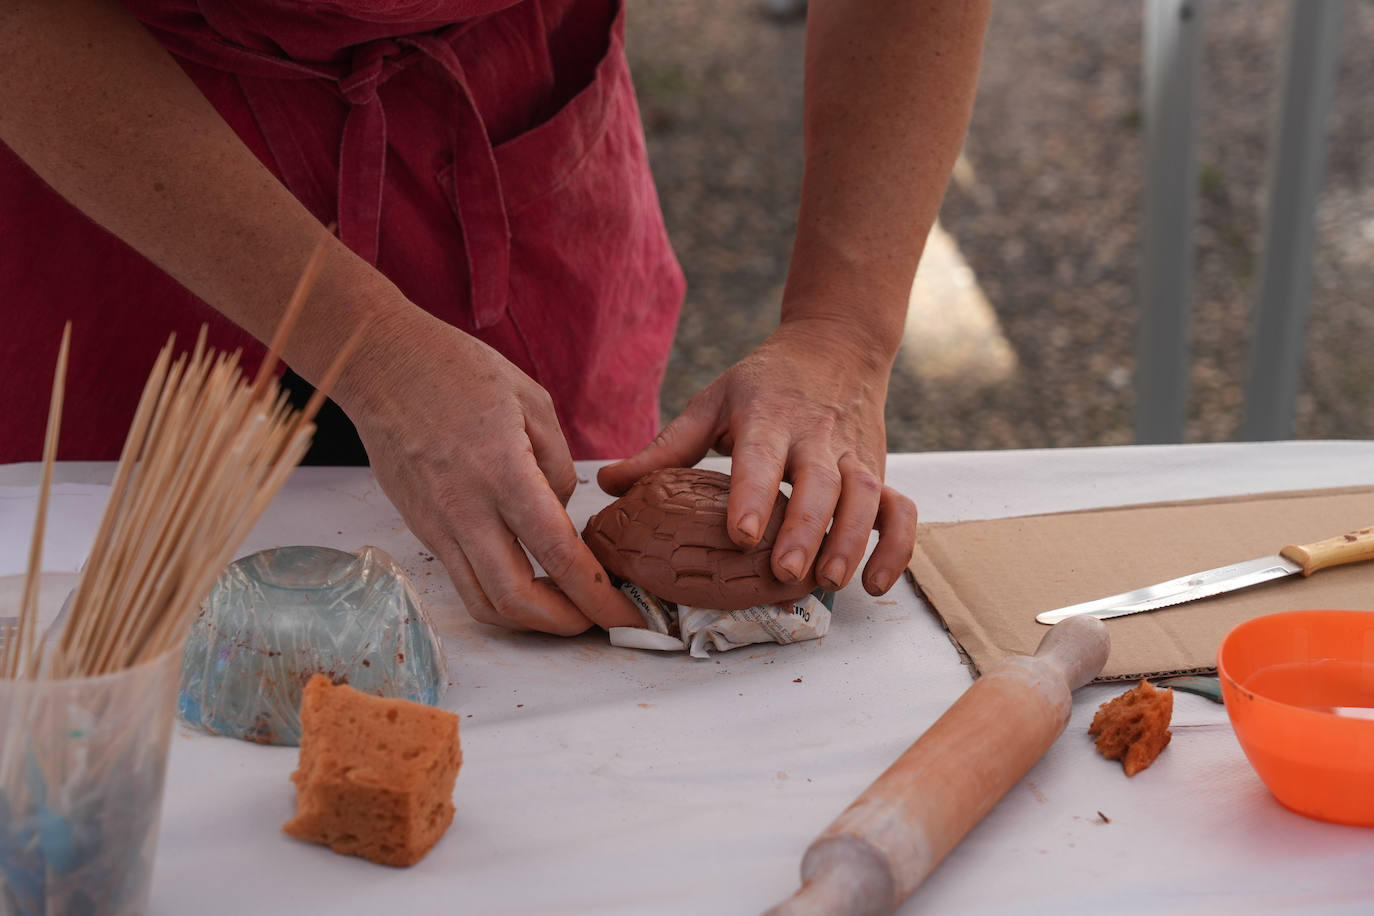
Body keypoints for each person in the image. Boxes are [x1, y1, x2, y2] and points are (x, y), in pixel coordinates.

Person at [0, 0, 990, 637]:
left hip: (512, 145)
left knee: (558, 622)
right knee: (111, 651)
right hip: (127, 166)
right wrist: (374, 350)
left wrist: (842, 331)